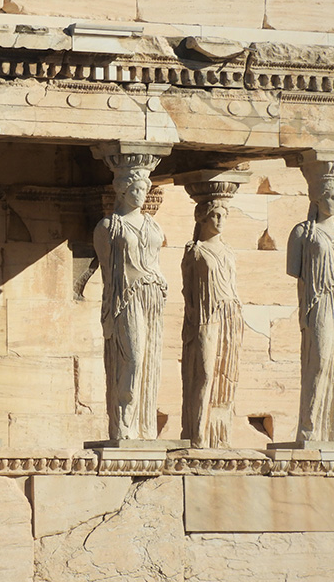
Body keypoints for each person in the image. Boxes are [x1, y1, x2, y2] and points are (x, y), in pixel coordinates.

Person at [94, 170, 168, 441]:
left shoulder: (153, 225)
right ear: (122, 191)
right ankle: (123, 423)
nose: (142, 195)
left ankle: (143, 427)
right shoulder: (108, 227)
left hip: (153, 295)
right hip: (125, 297)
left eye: (144, 189)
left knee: (149, 360)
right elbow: (106, 271)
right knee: (133, 358)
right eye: (136, 189)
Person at [286, 173, 334, 443]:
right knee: (320, 358)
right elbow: (298, 275)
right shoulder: (302, 233)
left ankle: (332, 429)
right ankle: (309, 425)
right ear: (317, 197)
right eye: (329, 195)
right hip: (319, 299)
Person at [180, 198, 243, 448]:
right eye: (215, 215)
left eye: (223, 216)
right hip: (206, 316)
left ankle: (218, 436)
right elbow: (187, 290)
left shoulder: (228, 251)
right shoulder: (195, 250)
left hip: (230, 313)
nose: (220, 221)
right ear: (202, 218)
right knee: (205, 373)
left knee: (226, 376)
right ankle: (197, 434)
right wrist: (193, 320)